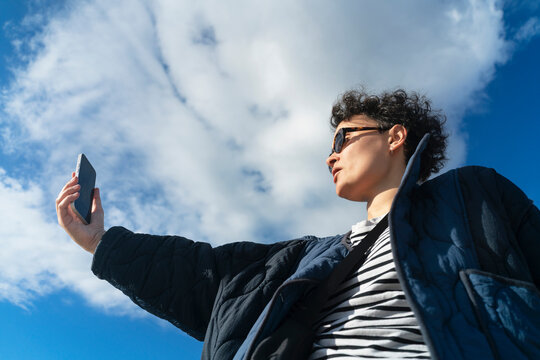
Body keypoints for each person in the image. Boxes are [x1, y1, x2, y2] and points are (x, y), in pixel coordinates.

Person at [56, 88, 540, 360]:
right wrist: (100, 242)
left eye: (344, 136)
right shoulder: (306, 257)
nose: (331, 154)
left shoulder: (473, 196)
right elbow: (205, 275)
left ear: (395, 136)